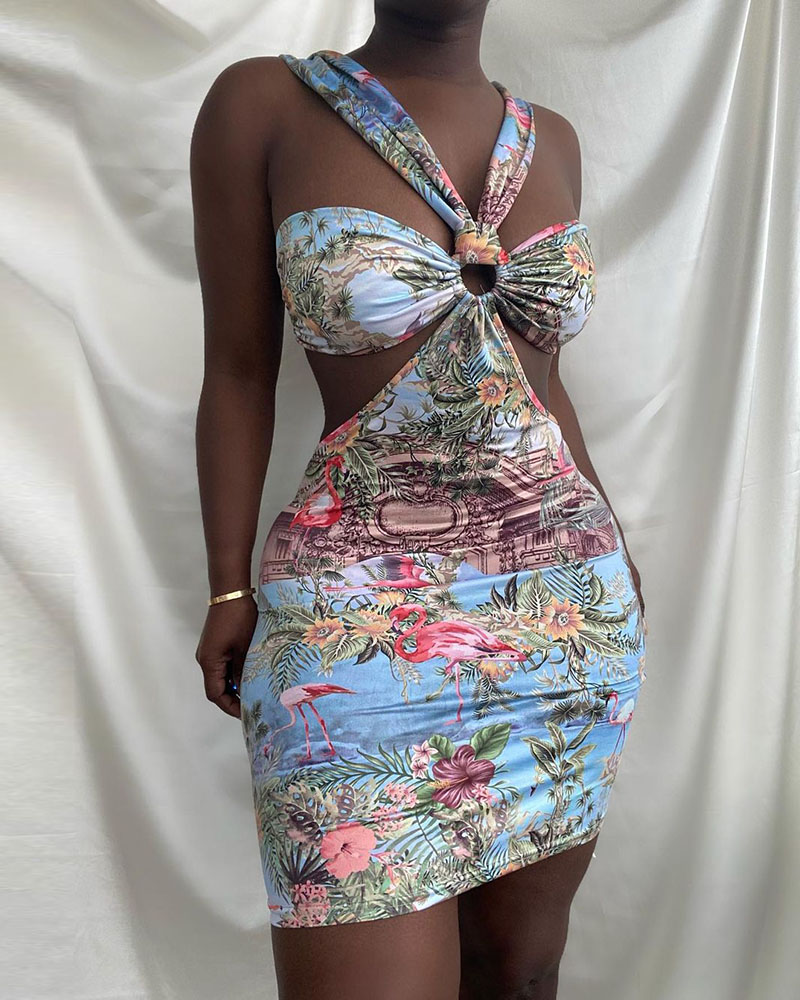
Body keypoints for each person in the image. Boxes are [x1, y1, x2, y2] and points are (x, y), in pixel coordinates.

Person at [191, 2, 648, 997]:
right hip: (353, 626)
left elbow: (541, 381)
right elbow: (236, 369)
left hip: (563, 620)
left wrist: (615, 552)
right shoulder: (264, 104)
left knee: (517, 973)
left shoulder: (553, 139)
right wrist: (228, 587)